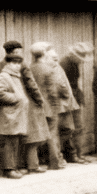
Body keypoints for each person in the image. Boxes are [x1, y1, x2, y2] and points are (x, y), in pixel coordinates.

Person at [28, 42, 67, 170]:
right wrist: (55, 107)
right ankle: (55, 162)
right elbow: (52, 92)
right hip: (48, 107)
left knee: (36, 136)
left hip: (34, 107)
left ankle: (36, 163)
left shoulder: (29, 68)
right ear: (44, 54)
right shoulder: (48, 70)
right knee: (52, 135)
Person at [0, 54, 29, 178]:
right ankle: (8, 170)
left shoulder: (15, 76)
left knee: (15, 142)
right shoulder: (4, 76)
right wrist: (15, 98)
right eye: (14, 63)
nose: (17, 66)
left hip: (15, 115)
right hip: (8, 115)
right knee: (8, 143)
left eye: (19, 63)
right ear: (7, 64)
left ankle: (14, 167)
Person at [59, 42, 93, 163]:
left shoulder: (74, 63)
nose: (82, 61)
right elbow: (63, 85)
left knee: (78, 127)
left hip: (74, 98)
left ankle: (78, 153)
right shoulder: (64, 64)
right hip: (68, 100)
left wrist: (79, 95)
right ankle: (72, 155)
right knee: (71, 128)